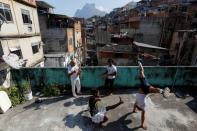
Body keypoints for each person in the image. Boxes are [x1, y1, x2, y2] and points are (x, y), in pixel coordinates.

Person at [132, 61, 170, 130]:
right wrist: (161, 91)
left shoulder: (143, 78)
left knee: (136, 101)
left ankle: (134, 110)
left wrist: (140, 64)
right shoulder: (146, 84)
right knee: (143, 111)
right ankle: (142, 125)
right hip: (141, 96)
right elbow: (155, 89)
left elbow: (141, 70)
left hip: (138, 94)